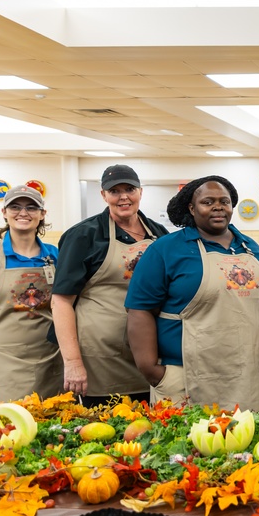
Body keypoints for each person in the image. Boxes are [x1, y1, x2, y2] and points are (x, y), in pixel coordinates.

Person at [125, 176, 259, 411]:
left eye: (224, 202)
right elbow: (140, 310)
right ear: (191, 208)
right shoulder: (166, 250)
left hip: (253, 380)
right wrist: (152, 371)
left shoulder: (250, 247)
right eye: (208, 202)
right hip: (187, 379)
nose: (218, 207)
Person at [51, 165, 168, 406]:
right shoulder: (83, 236)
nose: (123, 196)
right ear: (103, 196)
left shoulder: (159, 234)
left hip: (149, 356)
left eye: (130, 189)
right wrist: (73, 363)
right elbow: (61, 301)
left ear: (141, 192)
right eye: (114, 191)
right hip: (101, 358)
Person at [0, 186, 62, 401]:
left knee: (54, 428)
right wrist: (8, 330)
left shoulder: (54, 256)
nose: (23, 213)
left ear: (42, 214)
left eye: (31, 207)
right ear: (4, 212)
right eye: (15, 207)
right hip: (4, 363)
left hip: (50, 359)